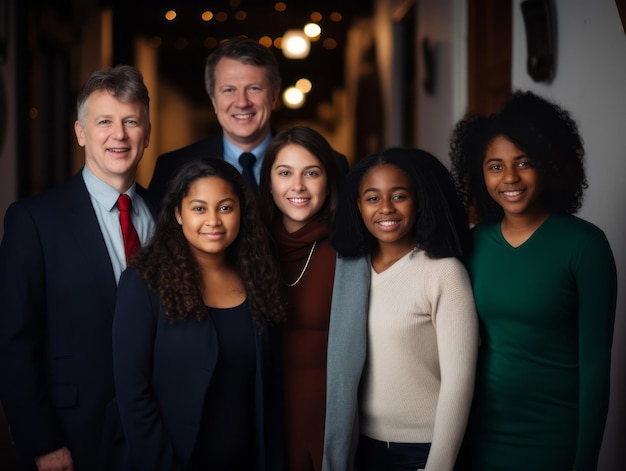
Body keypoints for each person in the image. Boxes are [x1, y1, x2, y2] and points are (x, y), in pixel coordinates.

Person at [449, 90, 617, 470]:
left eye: (523, 163)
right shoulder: (472, 244)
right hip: (479, 435)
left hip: (555, 437)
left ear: (548, 164)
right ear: (479, 174)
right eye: (495, 166)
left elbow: (595, 367)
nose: (509, 178)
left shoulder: (585, 246)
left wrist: (585, 460)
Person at [0, 65, 156, 470]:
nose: (119, 135)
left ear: (147, 134)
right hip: (73, 435)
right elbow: (13, 341)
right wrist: (41, 441)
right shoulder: (34, 220)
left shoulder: (170, 216)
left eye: (131, 121)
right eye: (104, 121)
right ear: (80, 132)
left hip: (160, 431)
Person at [112, 158, 288, 470]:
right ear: (178, 213)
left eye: (225, 207)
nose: (213, 221)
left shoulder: (258, 279)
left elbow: (270, 389)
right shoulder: (143, 284)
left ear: (241, 212)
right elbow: (132, 392)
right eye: (198, 208)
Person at [323, 148, 479, 471]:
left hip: (423, 450)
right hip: (361, 445)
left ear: (418, 201)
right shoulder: (350, 271)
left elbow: (459, 382)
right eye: (372, 198)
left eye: (399, 196)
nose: (386, 209)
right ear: (358, 205)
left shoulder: (443, 272)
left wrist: (439, 464)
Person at [148, 36, 349, 203]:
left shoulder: (330, 166)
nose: (242, 102)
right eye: (229, 90)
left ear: (273, 95)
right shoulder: (171, 169)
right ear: (214, 101)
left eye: (254, 89)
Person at [258, 126, 341, 470]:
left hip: (330, 420)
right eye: (285, 173)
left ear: (328, 180)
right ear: (269, 182)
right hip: (264, 416)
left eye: (311, 173)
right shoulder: (249, 248)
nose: (298, 186)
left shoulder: (350, 250)